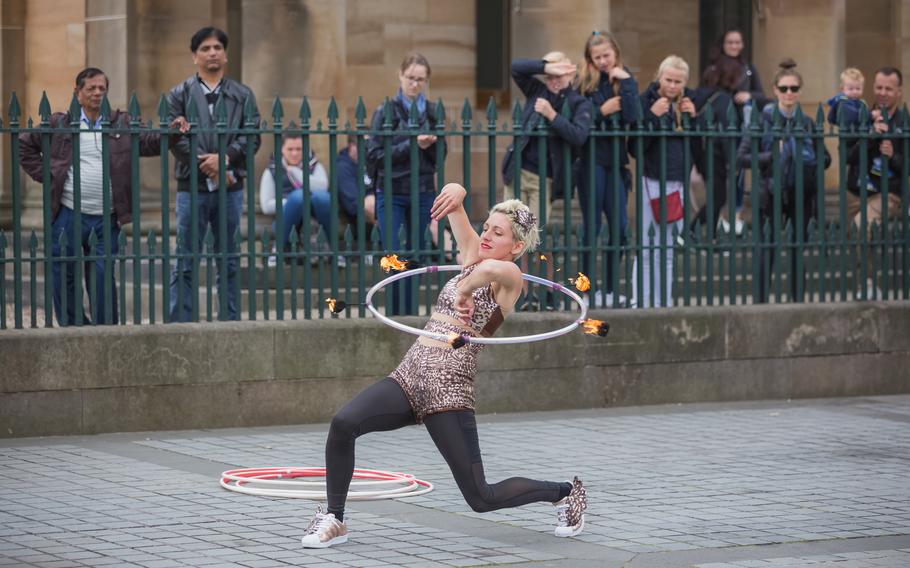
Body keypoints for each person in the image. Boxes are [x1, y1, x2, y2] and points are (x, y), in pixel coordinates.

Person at [300, 183, 587, 548]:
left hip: (449, 389)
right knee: (343, 423)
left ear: (515, 246)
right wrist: (458, 191)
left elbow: (490, 273)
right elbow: (455, 207)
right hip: (409, 374)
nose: (485, 235)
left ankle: (564, 493)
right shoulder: (473, 255)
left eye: (497, 233)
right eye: (486, 227)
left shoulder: (511, 279)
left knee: (481, 497)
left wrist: (466, 290)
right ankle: (334, 518)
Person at [19, 67, 188, 326]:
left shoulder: (121, 122)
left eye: (102, 89)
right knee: (63, 274)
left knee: (101, 276)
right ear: (78, 93)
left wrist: (174, 132)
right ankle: (74, 327)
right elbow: (24, 144)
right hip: (67, 213)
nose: (98, 93)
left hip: (106, 217)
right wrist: (49, 176)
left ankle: (104, 330)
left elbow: (150, 141)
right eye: (91, 89)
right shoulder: (59, 123)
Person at [167, 26, 261, 322]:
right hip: (190, 186)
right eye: (205, 49)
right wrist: (203, 163)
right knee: (185, 259)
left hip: (229, 187)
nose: (212, 53)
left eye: (217, 48)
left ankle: (230, 320)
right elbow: (173, 136)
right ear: (194, 56)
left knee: (229, 259)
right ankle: (181, 321)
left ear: (225, 54)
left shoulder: (243, 94)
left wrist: (225, 158)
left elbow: (253, 136)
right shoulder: (178, 94)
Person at [502, 52, 592, 310]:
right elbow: (516, 66)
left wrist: (552, 115)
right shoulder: (536, 90)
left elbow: (579, 136)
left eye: (559, 75)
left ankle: (546, 292)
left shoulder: (577, 102)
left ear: (570, 73)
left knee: (533, 238)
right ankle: (522, 293)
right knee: (510, 237)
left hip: (544, 178)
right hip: (516, 172)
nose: (552, 80)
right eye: (549, 75)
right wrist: (545, 65)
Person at [736, 59, 830, 303]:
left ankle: (797, 302)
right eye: (785, 88)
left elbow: (827, 159)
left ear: (799, 91)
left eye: (794, 89)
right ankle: (761, 303)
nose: (789, 93)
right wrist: (772, 154)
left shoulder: (808, 123)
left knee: (798, 250)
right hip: (769, 194)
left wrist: (805, 155)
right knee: (766, 251)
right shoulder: (761, 120)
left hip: (801, 193)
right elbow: (742, 158)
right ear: (775, 90)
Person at [366, 52, 446, 315]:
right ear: (400, 76)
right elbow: (375, 156)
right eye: (411, 78)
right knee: (393, 253)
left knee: (417, 254)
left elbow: (440, 157)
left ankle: (410, 313)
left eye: (420, 79)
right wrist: (412, 144)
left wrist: (431, 145)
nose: (415, 84)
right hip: (391, 190)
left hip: (422, 190)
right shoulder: (385, 111)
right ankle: (395, 312)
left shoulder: (433, 112)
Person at [576, 30, 639, 308]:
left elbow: (634, 117)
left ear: (616, 54)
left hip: (617, 164)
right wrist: (602, 111)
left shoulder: (623, 80)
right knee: (592, 229)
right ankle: (586, 289)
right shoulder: (584, 85)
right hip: (591, 163)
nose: (603, 61)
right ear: (590, 60)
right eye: (597, 57)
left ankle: (611, 289)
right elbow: (580, 121)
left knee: (621, 229)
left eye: (607, 56)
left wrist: (626, 82)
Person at [632, 55, 699, 308]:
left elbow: (697, 148)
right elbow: (635, 148)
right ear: (659, 77)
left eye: (678, 82)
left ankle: (663, 303)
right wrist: (652, 116)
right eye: (668, 80)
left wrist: (694, 119)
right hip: (652, 180)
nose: (672, 86)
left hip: (678, 183)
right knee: (647, 247)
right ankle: (642, 301)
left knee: (668, 250)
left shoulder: (687, 103)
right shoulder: (644, 101)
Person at [844, 66, 905, 299]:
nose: (883, 92)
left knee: (861, 227)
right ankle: (866, 281)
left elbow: (906, 166)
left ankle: (868, 284)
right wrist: (869, 136)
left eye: (889, 89)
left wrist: (893, 156)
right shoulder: (860, 117)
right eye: (878, 87)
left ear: (898, 91)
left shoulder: (903, 121)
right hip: (856, 191)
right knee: (858, 235)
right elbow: (848, 156)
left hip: (888, 193)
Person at [709, 28, 769, 235]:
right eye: (730, 42)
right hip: (718, 131)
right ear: (723, 45)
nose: (734, 46)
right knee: (717, 176)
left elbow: (763, 96)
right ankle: (717, 218)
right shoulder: (714, 68)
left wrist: (748, 95)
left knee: (738, 173)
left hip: (741, 128)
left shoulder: (749, 68)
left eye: (737, 42)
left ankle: (735, 216)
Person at [258, 132, 333, 267]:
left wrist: (295, 171)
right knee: (298, 197)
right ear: (281, 150)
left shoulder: (314, 166)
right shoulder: (272, 170)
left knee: (323, 198)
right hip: (287, 219)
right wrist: (292, 204)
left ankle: (334, 250)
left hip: (315, 216)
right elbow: (266, 205)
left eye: (299, 149)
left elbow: (322, 186)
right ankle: (278, 250)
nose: (294, 154)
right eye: (290, 149)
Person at [688, 57, 738, 241]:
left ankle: (711, 236)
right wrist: (732, 160)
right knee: (719, 198)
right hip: (716, 154)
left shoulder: (697, 95)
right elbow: (726, 132)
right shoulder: (723, 98)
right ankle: (691, 230)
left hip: (701, 153)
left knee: (715, 196)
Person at [336, 134, 375, 226]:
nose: (369, 149)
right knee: (370, 204)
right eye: (365, 146)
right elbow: (353, 205)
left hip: (378, 207)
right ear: (352, 146)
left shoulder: (372, 161)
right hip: (356, 219)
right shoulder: (343, 166)